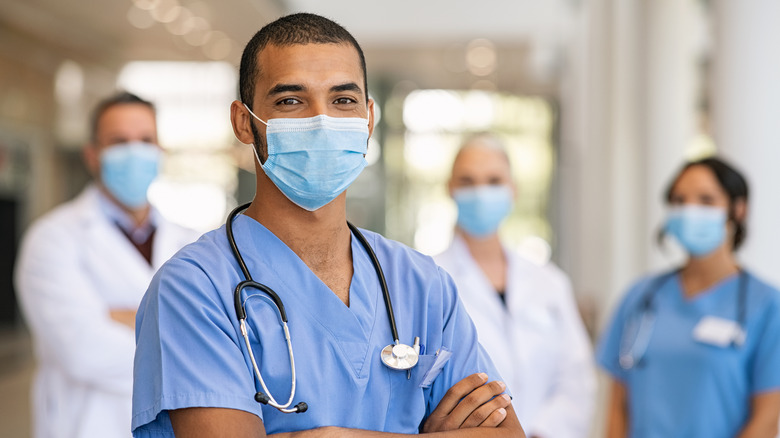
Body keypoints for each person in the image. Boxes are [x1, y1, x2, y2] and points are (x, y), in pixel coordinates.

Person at [131, 13, 524, 438]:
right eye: (290, 101)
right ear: (244, 123)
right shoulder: (195, 288)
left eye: (343, 101)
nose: (322, 121)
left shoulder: (421, 285)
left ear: (369, 120)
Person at [14, 92, 199, 438]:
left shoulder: (192, 242)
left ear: (161, 151)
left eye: (145, 140)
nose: (134, 152)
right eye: (119, 141)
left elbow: (231, 338)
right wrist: (183, 329)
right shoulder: (52, 239)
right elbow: (84, 351)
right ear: (92, 155)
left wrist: (127, 317)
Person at [597, 157, 780, 438]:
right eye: (679, 201)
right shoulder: (641, 296)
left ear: (738, 209)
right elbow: (617, 408)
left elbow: (767, 419)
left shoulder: (766, 305)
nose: (690, 211)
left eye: (706, 200)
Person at [433, 133, 596, 438]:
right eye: (468, 181)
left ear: (513, 190)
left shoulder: (549, 282)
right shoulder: (429, 279)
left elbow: (575, 377)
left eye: (494, 181)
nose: (481, 192)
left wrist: (540, 431)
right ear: (450, 188)